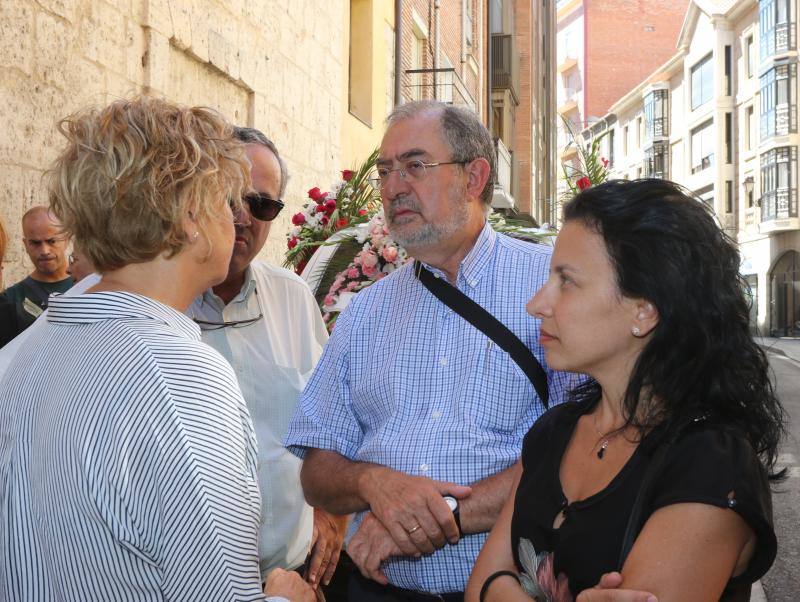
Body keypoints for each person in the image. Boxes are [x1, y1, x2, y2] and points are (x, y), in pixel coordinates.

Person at [0, 96, 314, 602]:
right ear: (191, 216)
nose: (238, 217)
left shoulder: (32, 354)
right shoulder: (184, 377)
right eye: (226, 197)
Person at [285, 100, 576, 601]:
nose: (394, 186)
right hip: (376, 590)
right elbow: (316, 471)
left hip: (505, 591)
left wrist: (444, 517)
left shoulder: (552, 287)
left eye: (415, 166)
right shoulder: (365, 312)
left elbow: (586, 449)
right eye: (384, 170)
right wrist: (375, 484)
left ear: (474, 177)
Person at [466, 179, 784, 602]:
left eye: (567, 281)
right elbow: (478, 587)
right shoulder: (555, 431)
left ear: (644, 311)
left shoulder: (708, 461)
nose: (537, 304)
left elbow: (496, 581)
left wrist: (502, 588)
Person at [189, 126, 348, 592]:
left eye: (263, 205)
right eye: (232, 197)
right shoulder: (163, 308)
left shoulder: (293, 298)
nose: (243, 217)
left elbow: (332, 420)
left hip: (293, 577)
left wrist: (332, 512)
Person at [0, 206, 73, 342]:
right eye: (35, 243)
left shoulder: (89, 287)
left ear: (66, 239)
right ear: (25, 245)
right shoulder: (10, 301)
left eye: (52, 241)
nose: (44, 250)